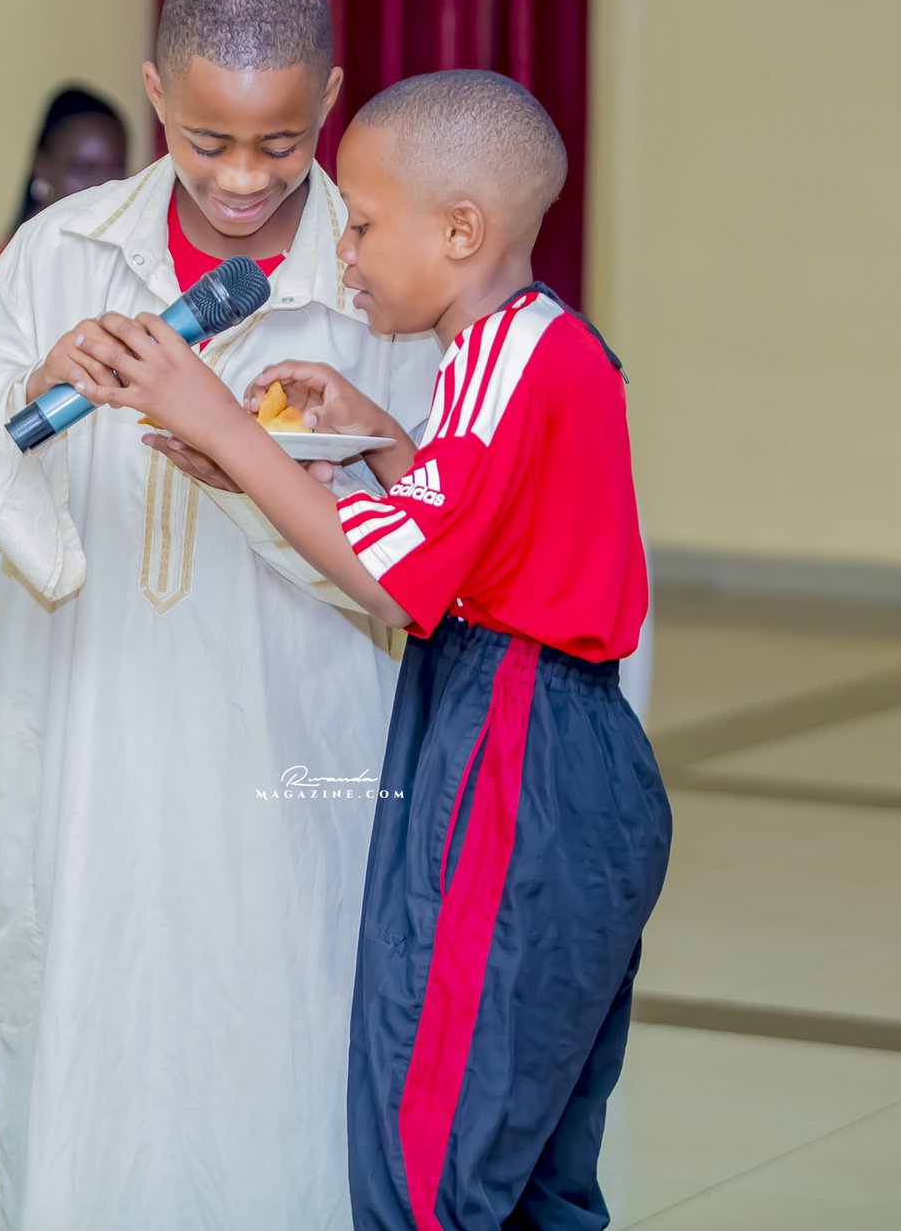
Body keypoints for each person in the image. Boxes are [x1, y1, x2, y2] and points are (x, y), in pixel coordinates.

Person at [0, 0, 442, 1229]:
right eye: (204, 141)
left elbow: (433, 548)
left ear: (331, 102)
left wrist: (291, 457)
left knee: (280, 1053)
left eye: (280, 145)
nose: (241, 179)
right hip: (94, 747)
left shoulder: (387, 282)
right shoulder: (61, 253)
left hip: (293, 756)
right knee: (92, 1067)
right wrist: (33, 393)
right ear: (151, 96)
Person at [76, 71, 670, 1230]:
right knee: (532, 1169)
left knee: (430, 1154)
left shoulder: (499, 355)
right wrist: (380, 442)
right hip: (567, 746)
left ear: (460, 231)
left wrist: (220, 423)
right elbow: (485, 539)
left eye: (356, 224)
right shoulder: (540, 344)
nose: (340, 252)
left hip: (512, 748)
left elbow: (393, 580)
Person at [0, 84, 128, 296]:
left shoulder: (129, 266)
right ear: (41, 167)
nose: (104, 185)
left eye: (117, 169)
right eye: (83, 169)